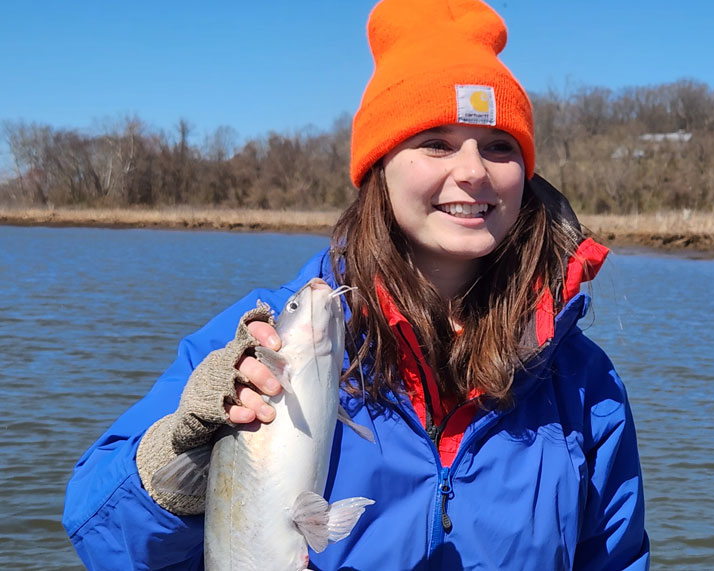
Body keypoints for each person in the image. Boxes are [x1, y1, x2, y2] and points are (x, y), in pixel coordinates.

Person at [63, 0, 650, 568]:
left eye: (499, 146)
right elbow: (103, 538)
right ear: (379, 168)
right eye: (435, 143)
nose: (472, 171)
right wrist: (187, 448)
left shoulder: (585, 383)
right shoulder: (260, 339)